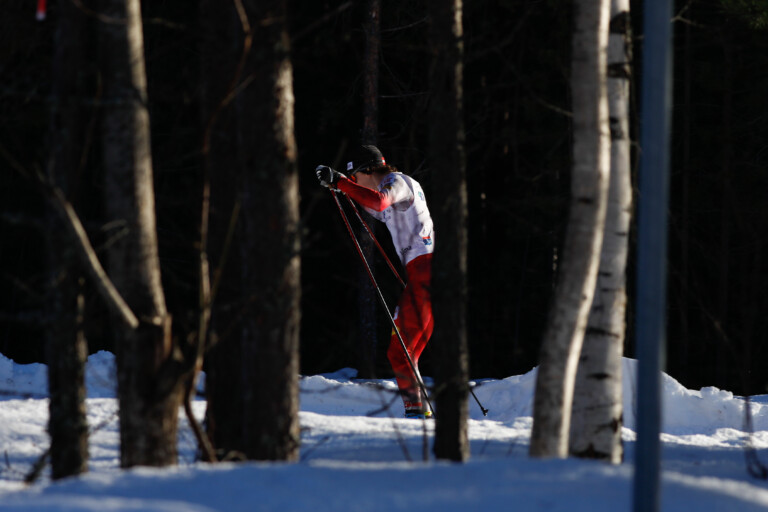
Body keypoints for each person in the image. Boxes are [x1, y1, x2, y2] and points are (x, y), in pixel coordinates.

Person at [316, 145, 435, 419]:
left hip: (425, 274)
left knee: (399, 352)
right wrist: (342, 187)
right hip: (423, 276)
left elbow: (379, 201)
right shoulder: (391, 191)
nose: (355, 182)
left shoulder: (397, 182)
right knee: (407, 353)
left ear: (368, 170)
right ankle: (420, 413)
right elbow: (371, 204)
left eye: (355, 177)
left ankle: (417, 414)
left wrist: (341, 183)